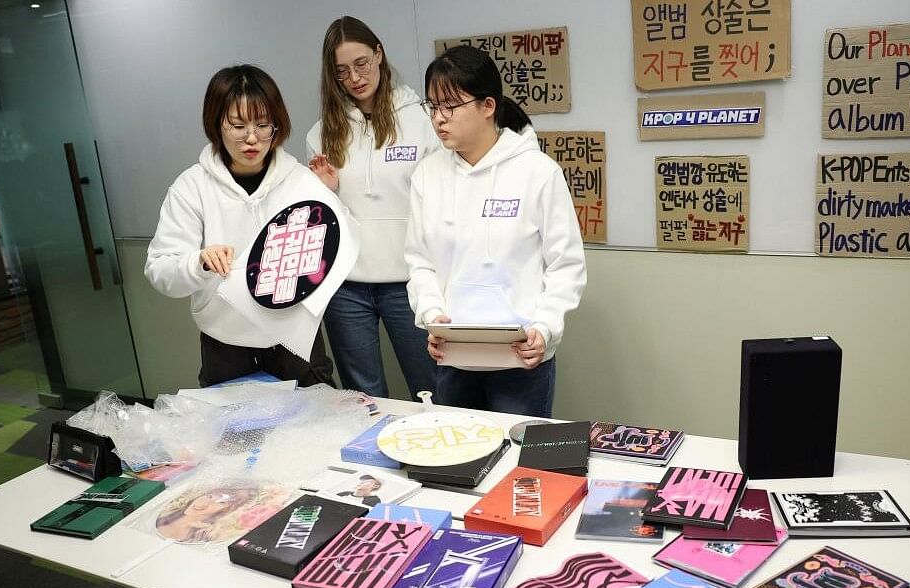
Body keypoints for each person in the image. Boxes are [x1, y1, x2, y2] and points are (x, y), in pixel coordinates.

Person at [405, 46, 587, 417]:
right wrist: (430, 312)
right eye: (433, 106)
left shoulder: (538, 172)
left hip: (520, 358)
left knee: (518, 468)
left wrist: (545, 327)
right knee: (454, 463)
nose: (439, 119)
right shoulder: (427, 174)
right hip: (454, 357)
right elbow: (419, 260)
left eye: (451, 106)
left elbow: (566, 265)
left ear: (488, 106)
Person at [146, 64, 337, 387]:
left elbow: (330, 257)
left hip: (295, 338)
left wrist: (330, 200)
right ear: (216, 122)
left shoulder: (300, 181)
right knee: (238, 436)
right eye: (237, 125)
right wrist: (199, 262)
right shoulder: (192, 187)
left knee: (316, 432)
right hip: (226, 341)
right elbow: (160, 271)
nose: (252, 138)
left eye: (264, 125)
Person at [307, 16, 439, 400]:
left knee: (432, 389)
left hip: (409, 280)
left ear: (379, 54)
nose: (355, 78)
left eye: (362, 63)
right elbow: (322, 217)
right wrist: (327, 192)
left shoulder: (423, 121)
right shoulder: (321, 133)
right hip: (346, 285)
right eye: (342, 71)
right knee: (362, 397)